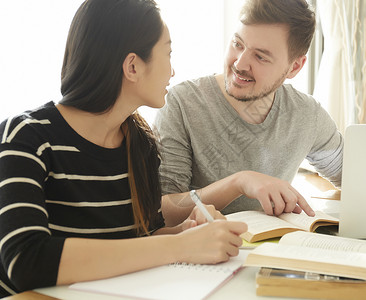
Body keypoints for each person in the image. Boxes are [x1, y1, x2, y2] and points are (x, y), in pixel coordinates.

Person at [0, 0, 248, 297]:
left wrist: (186, 233)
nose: (173, 70)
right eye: (168, 54)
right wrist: (180, 245)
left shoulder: (140, 143)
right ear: (132, 66)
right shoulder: (25, 137)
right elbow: (26, 260)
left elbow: (144, 236)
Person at [155, 0, 343, 226]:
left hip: (275, 251)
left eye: (260, 56)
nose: (240, 63)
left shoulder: (307, 114)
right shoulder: (182, 103)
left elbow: (355, 177)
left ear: (294, 67)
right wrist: (238, 183)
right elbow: (163, 212)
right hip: (205, 254)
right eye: (237, 44)